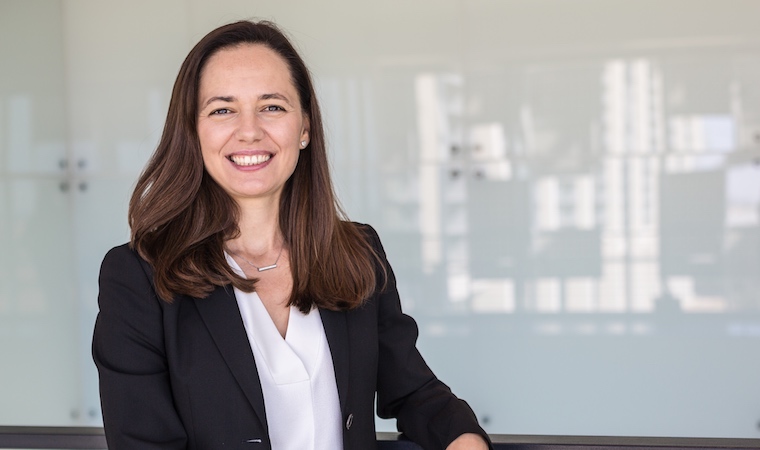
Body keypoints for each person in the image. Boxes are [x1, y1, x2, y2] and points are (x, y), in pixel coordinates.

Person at [91, 20, 491, 450]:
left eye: (272, 107)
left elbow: (414, 392)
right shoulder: (138, 277)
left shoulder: (357, 253)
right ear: (193, 131)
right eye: (222, 109)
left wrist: (464, 439)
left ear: (304, 128)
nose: (249, 130)